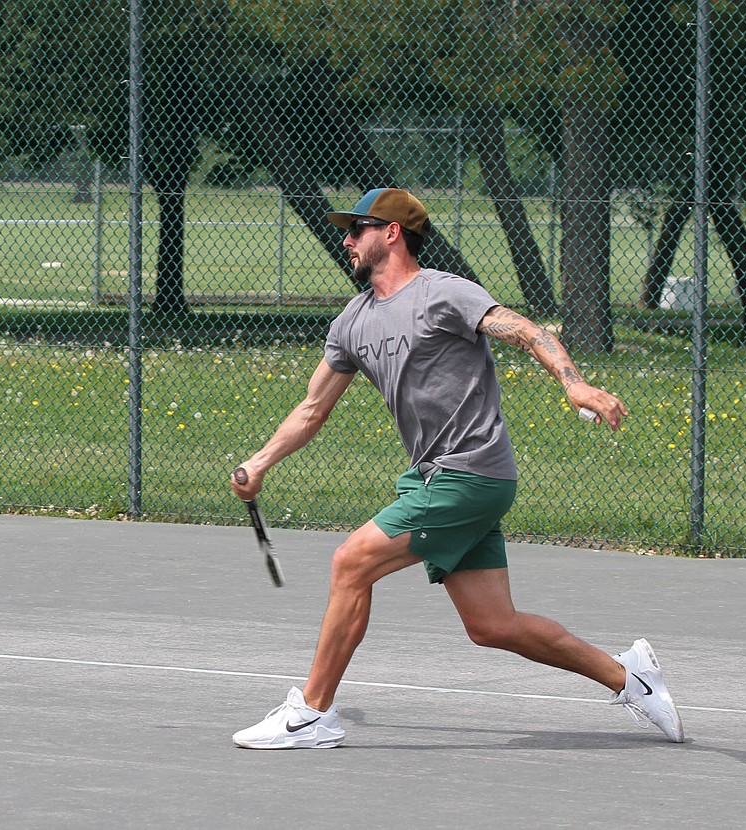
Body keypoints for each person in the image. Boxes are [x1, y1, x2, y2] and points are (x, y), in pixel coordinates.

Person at [230, 187, 684, 749]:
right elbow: (312, 407)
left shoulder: (442, 294)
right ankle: (629, 676)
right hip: (438, 477)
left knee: (351, 563)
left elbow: (529, 330)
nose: (345, 239)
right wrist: (261, 462)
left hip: (469, 472)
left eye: (358, 229)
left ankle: (312, 713)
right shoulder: (353, 320)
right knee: (492, 625)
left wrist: (575, 384)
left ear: (391, 232)